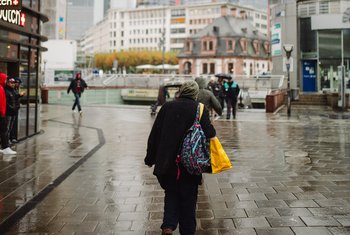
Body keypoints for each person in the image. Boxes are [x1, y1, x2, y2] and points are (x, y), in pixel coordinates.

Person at [145, 81, 216, 235]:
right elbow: (210, 133)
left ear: (181, 91)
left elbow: (155, 135)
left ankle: (168, 226)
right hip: (190, 163)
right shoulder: (199, 109)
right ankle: (187, 231)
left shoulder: (167, 107)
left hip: (168, 163)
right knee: (189, 201)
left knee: (171, 194)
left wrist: (150, 158)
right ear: (195, 93)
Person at [0, 73, 16, 154]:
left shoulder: (2, 88)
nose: (6, 81)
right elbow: (2, 102)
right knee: (4, 130)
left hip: (2, 113)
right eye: (5, 79)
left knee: (4, 130)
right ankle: (5, 147)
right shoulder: (1, 88)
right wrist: (2, 113)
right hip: (2, 114)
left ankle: (5, 147)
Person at [5, 78, 19, 145]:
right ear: (7, 83)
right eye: (11, 82)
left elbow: (15, 100)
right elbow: (6, 103)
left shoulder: (13, 91)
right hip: (8, 113)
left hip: (13, 112)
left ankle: (8, 140)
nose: (13, 84)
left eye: (13, 83)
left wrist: (16, 107)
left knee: (10, 128)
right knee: (7, 128)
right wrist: (12, 108)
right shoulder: (6, 91)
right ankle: (5, 142)